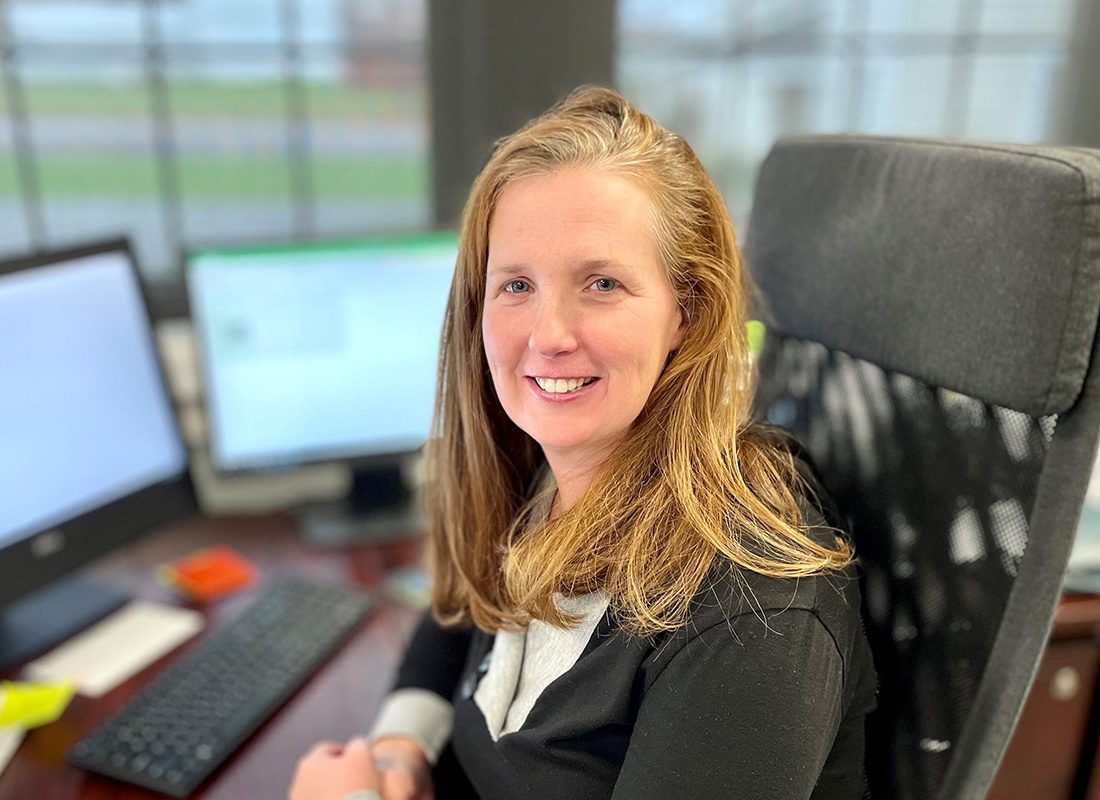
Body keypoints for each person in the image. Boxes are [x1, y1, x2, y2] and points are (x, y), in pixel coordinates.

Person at [289, 86, 876, 800]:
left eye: (601, 283)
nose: (548, 335)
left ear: (685, 314)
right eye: (516, 286)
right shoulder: (544, 474)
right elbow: (457, 616)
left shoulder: (754, 615)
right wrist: (401, 745)